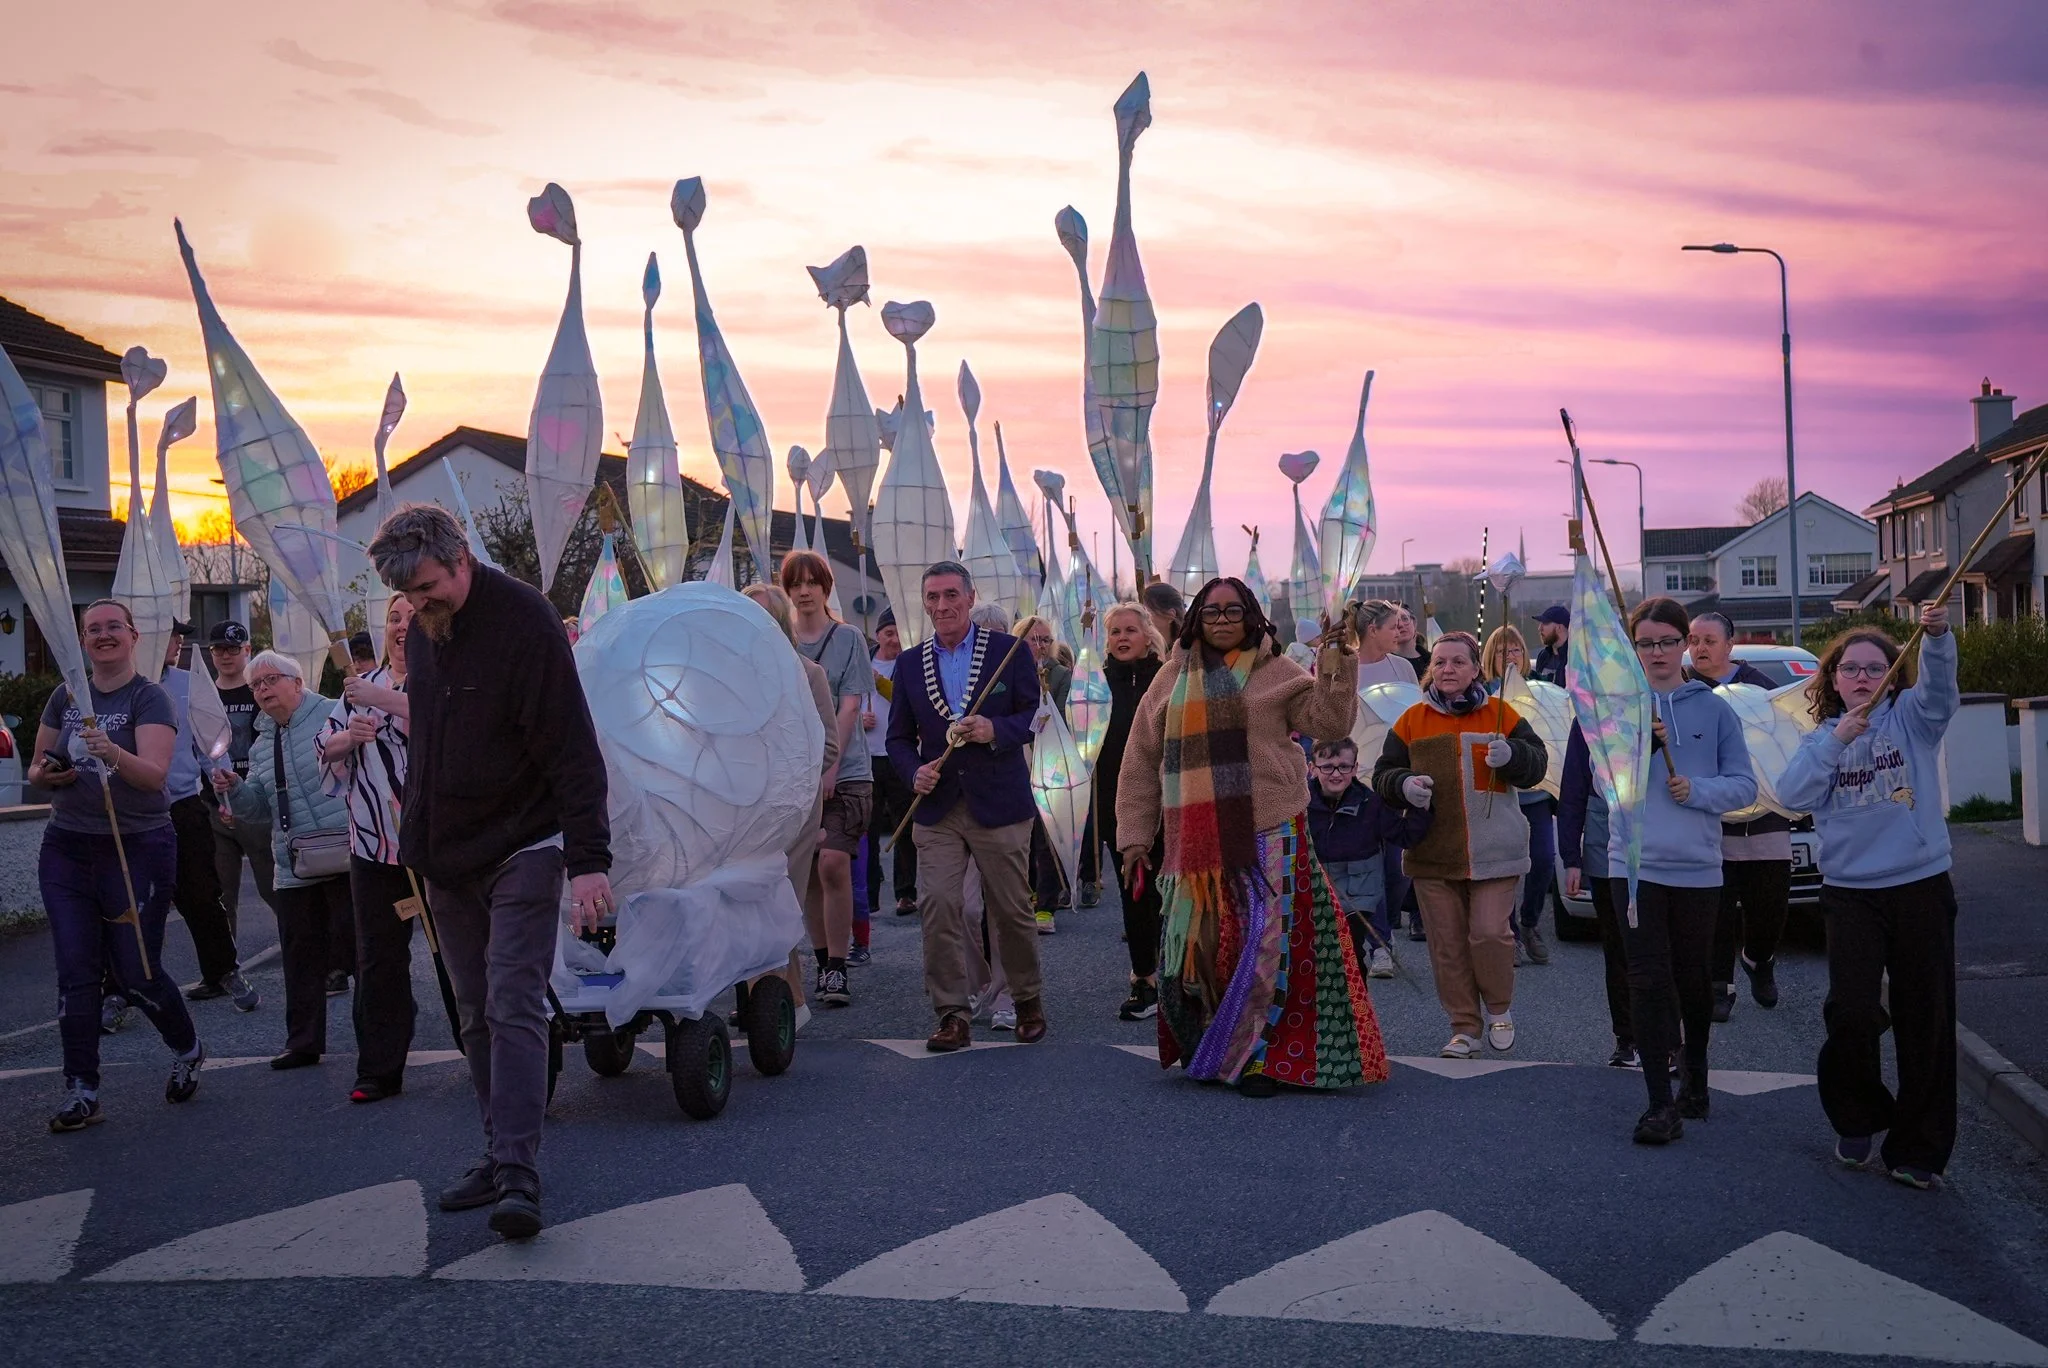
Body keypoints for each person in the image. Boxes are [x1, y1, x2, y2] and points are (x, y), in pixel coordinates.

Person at [368, 503, 613, 1241]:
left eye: (429, 589)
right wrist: (415, 840)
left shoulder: (526, 623)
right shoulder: (428, 633)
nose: (418, 607)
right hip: (448, 855)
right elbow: (432, 742)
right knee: (473, 1010)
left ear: (462, 558)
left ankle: (518, 1170)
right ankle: (496, 1145)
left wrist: (589, 864)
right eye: (407, 598)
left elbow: (572, 745)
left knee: (512, 1002)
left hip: (526, 845)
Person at [1118, 576, 1386, 1096]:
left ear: (1252, 616)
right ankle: (1217, 1046)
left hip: (1270, 826)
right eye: (1212, 611)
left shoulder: (1277, 670)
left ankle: (1262, 1057)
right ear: (1196, 617)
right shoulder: (1170, 676)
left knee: (1269, 946)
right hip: (1194, 836)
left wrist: (1336, 662)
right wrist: (1134, 835)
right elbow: (1140, 758)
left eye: (1233, 611)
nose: (1222, 620)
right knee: (1210, 945)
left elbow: (1329, 724)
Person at [1778, 603, 1958, 1189]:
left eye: (1874, 668)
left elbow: (1939, 696)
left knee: (1924, 1018)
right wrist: (1837, 741)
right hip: (1851, 895)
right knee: (1851, 1012)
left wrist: (1936, 639)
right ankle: (1857, 1115)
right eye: (1850, 668)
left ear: (1891, 674)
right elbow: (1792, 793)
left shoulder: (1911, 718)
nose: (1861, 677)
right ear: (1832, 679)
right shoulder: (1821, 738)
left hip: (1920, 886)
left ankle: (1918, 1149)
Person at [32, 600, 204, 1132]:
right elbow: (37, 769)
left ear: (132, 637)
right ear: (83, 640)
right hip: (67, 846)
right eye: (92, 629)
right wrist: (51, 775)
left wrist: (110, 752)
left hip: (136, 846)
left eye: (113, 627)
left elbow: (154, 776)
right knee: (76, 970)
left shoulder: (148, 697)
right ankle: (82, 1090)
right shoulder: (66, 695)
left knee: (136, 973)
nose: (103, 636)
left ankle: (188, 1046)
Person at [1610, 597, 1756, 1145]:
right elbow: (1606, 784)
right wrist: (1636, 749)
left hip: (1697, 869)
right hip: (1635, 866)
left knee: (1694, 982)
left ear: (1685, 645)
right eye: (1645, 643)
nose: (1658, 653)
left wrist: (1696, 790)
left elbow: (1743, 786)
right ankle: (1658, 1103)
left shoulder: (1714, 709)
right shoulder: (1618, 710)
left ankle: (1695, 1075)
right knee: (1646, 981)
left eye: (1668, 641)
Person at [885, 561, 1046, 1052]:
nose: (942, 606)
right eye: (932, 597)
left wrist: (994, 730)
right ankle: (952, 1012)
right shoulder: (910, 664)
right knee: (938, 905)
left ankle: (1027, 1000)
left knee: (1011, 908)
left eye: (951, 595)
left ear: (970, 597)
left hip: (999, 799)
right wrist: (914, 771)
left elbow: (1033, 716)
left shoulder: (1009, 652)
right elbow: (896, 739)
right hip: (938, 807)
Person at [1374, 630, 1547, 1058]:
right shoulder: (1411, 721)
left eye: (1457, 662)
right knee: (1447, 947)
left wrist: (1514, 758)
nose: (1447, 669)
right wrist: (1403, 784)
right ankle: (1464, 1028)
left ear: (1475, 669)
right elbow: (1382, 776)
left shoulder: (1502, 715)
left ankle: (1499, 1010)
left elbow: (1537, 764)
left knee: (1490, 933)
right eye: (1440, 663)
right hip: (1433, 852)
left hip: (1495, 852)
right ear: (1430, 669)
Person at [215, 651, 349, 1073]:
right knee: (299, 959)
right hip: (294, 865)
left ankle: (384, 1037)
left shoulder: (332, 713)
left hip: (348, 856)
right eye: (256, 685)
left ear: (297, 681)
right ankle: (303, 1043)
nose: (263, 690)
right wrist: (235, 790)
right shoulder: (260, 742)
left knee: (363, 954)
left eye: (271, 679)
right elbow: (257, 809)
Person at [316, 596, 421, 1104]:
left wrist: (382, 702)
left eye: (413, 616)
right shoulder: (360, 687)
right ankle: (379, 1067)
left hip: (441, 847)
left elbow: (446, 719)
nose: (403, 626)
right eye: (394, 619)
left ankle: (487, 1053)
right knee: (377, 957)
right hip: (375, 846)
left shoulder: (446, 676)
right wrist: (348, 738)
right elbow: (325, 745)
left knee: (463, 956)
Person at [1685, 610, 1791, 1022]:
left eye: (1709, 640)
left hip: (1764, 816)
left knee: (1770, 908)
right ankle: (1719, 988)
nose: (1700, 648)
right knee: (1716, 910)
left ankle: (1758, 958)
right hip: (1709, 820)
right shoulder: (1684, 692)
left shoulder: (1761, 689)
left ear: (1730, 645)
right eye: (1693, 641)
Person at [743, 584, 839, 1027]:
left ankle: (776, 1008)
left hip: (791, 810)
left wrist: (785, 778)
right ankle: (779, 1002)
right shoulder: (728, 675)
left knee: (779, 903)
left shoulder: (808, 673)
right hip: (740, 810)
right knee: (745, 903)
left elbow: (829, 746)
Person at [781, 551, 872, 1009]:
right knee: (809, 872)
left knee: (833, 863)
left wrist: (829, 767)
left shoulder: (848, 638)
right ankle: (820, 959)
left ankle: (838, 966)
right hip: (795, 776)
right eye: (795, 584)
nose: (804, 592)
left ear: (825, 587)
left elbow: (850, 705)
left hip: (848, 770)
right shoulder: (781, 642)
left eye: (812, 583)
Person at [158, 623, 257, 1011]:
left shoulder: (190, 683)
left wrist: (224, 789)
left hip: (183, 805)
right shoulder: (117, 685)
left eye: (180, 634)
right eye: (170, 633)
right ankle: (118, 989)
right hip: (130, 810)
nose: (178, 641)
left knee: (201, 893)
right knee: (126, 903)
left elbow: (210, 746)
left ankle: (224, 971)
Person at [1307, 737, 1429, 980]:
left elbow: (1404, 835)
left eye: (1343, 766)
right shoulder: (1301, 805)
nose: (1336, 774)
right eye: (1327, 766)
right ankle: (1332, 1011)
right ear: (1312, 768)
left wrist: (1421, 807)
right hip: (1318, 892)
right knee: (1321, 957)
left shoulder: (1370, 803)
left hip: (1360, 895)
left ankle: (1357, 1008)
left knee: (1348, 949)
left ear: (1354, 769)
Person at [1097, 602, 1166, 1020]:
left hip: (1167, 799)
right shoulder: (1097, 686)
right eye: (1114, 632)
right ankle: (1144, 978)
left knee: (1170, 890)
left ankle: (1179, 974)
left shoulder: (1166, 679)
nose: (1121, 638)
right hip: (1114, 802)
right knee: (1134, 889)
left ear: (1148, 636)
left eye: (1130, 630)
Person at [1558, 719, 1638, 1068]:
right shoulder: (1588, 720)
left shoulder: (1666, 706)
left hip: (1662, 845)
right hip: (1604, 843)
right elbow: (1573, 788)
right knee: (1618, 945)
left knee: (1659, 946)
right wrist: (1571, 858)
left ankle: (1669, 1037)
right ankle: (1627, 1037)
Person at [1481, 625, 1556, 967]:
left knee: (1542, 859)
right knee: (1506, 864)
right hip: (1500, 791)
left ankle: (1530, 922)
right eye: (1501, 651)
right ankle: (1508, 931)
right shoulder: (1481, 695)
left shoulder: (1544, 688)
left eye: (1515, 650)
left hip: (1536, 792)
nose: (1509, 657)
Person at [206, 620, 279, 930]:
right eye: (219, 649)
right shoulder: (204, 696)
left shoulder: (259, 692)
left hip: (255, 803)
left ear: (247, 650)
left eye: (233, 648)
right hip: (213, 805)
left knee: (274, 890)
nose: (226, 655)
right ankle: (226, 969)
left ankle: (308, 959)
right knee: (220, 899)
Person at [1013, 613, 1067, 932]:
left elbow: (1058, 716)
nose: (1041, 645)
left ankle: (1046, 905)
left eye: (1046, 639)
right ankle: (1025, 897)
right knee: (1021, 834)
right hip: (1017, 758)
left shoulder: (1059, 674)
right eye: (1034, 639)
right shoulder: (1008, 673)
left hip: (1049, 759)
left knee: (1046, 836)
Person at [862, 609, 917, 920]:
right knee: (866, 829)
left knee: (905, 827)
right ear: (878, 635)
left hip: (899, 756)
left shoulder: (909, 664)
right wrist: (858, 721)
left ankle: (906, 893)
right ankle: (868, 894)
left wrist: (880, 681)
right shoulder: (861, 660)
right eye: (888, 633)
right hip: (867, 756)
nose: (894, 639)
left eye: (898, 633)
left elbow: (905, 700)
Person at [1354, 599, 1419, 687]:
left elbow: (1417, 699)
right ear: (1373, 631)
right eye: (1393, 627)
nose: (1398, 633)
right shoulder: (1345, 670)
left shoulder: (1403, 667)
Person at [1531, 606, 1570, 687]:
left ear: (1559, 627)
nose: (1539, 628)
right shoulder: (1543, 656)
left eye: (1545, 623)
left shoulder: (1574, 658)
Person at [1141, 580, 1185, 649]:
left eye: (1147, 614)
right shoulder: (1141, 653)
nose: (1141, 620)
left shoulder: (1188, 655)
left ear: (1170, 615)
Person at [1391, 605, 1429, 680]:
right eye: (1394, 621)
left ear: (1414, 623)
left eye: (1405, 619)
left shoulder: (1432, 661)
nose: (1400, 625)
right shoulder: (1384, 664)